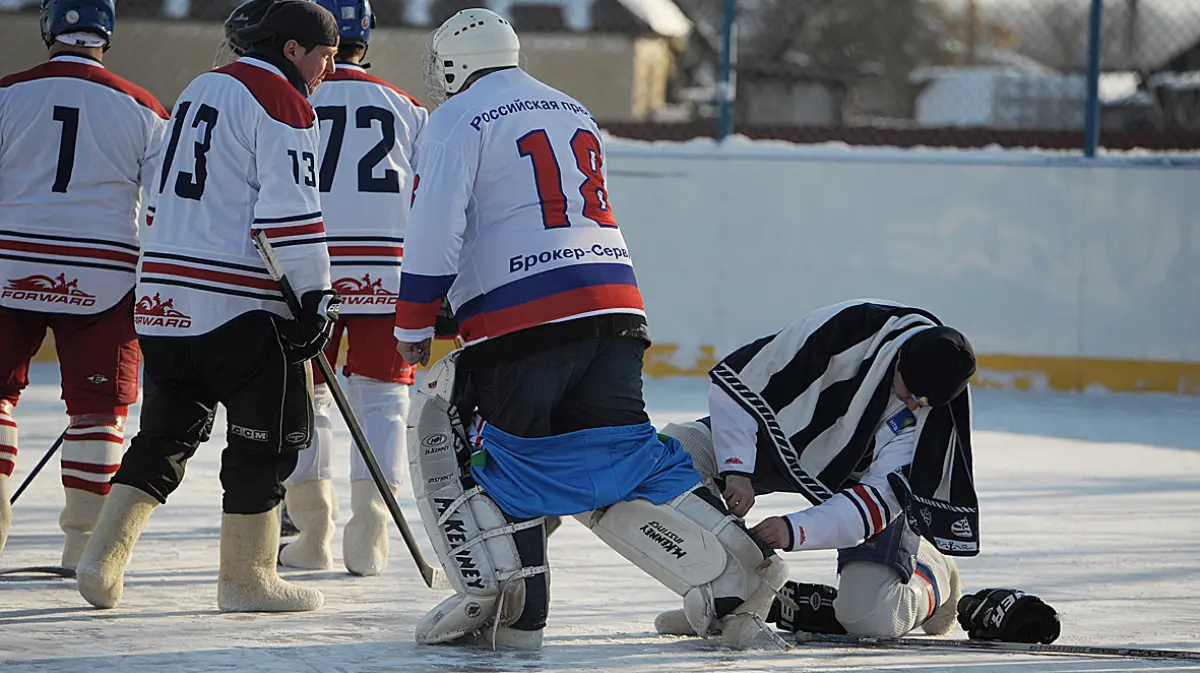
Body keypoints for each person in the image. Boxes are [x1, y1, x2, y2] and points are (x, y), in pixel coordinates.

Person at [397, 8, 786, 651]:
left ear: (451, 65)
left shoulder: (455, 119)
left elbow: (435, 230)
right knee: (628, 455)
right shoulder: (571, 108)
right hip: (614, 306)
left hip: (523, 319)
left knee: (496, 467)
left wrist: (413, 322)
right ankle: (740, 581)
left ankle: (515, 623)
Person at [74, 0, 341, 613]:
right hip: (236, 305)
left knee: (164, 436)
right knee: (266, 443)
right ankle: (247, 579)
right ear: (292, 49)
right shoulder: (284, 100)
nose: (327, 69)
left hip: (163, 300)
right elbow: (291, 209)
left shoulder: (200, 86)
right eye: (324, 56)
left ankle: (101, 562)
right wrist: (315, 294)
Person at [655, 299, 978, 639]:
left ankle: (929, 570)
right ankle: (724, 598)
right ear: (899, 359)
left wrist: (793, 529)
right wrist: (737, 468)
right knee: (677, 452)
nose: (914, 405)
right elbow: (741, 384)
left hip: (859, 484)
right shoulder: (843, 330)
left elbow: (875, 499)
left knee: (870, 617)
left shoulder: (930, 417)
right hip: (785, 440)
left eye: (925, 403)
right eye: (911, 393)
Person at [0, 0, 168, 569]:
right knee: (99, 411)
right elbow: (163, 207)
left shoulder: (6, 92)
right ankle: (83, 551)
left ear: (49, 28)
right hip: (106, 274)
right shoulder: (144, 107)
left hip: (8, 264)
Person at [274, 0, 428, 577]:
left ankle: (311, 532)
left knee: (305, 397)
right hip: (386, 270)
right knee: (384, 399)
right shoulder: (408, 107)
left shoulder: (290, 98)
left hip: (306, 271)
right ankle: (371, 533)